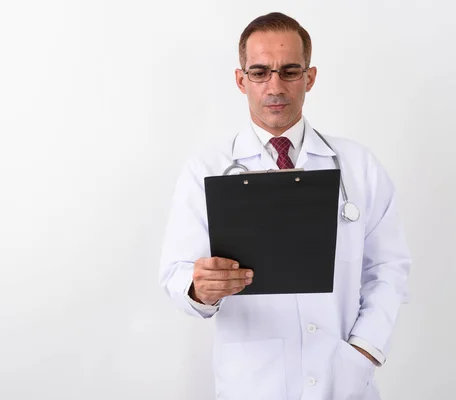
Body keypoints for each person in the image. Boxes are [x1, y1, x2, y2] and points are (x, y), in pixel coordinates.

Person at [159, 12, 411, 400]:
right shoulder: (206, 170)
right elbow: (176, 273)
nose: (275, 86)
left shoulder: (358, 166)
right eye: (260, 72)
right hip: (253, 383)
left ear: (309, 78)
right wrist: (199, 288)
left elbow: (388, 268)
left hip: (343, 383)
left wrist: (364, 349)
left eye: (289, 71)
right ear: (241, 80)